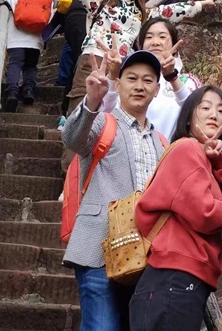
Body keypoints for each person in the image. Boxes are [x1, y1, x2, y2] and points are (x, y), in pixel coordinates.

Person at [24, 0, 214, 119]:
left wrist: (201, 4)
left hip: (121, 70)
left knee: (112, 122)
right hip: (94, 61)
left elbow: (169, 11)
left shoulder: (142, 14)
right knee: (81, 119)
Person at [130, 85, 222, 331]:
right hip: (173, 279)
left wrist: (219, 158)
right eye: (206, 107)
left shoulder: (202, 158)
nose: (214, 115)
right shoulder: (187, 150)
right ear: (189, 116)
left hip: (175, 281)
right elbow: (205, 214)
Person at [62, 49, 167, 331]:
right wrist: (91, 102)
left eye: (148, 80)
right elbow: (72, 139)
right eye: (131, 78)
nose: (139, 85)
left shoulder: (162, 142)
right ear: (118, 84)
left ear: (157, 90)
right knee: (102, 327)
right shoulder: (103, 122)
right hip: (98, 247)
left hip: (142, 254)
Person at [100, 17, 201, 140]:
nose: (155, 42)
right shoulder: (127, 79)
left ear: (175, 45)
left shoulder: (187, 81)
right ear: (141, 45)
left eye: (162, 37)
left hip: (168, 155)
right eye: (149, 37)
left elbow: (197, 115)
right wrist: (112, 75)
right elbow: (102, 114)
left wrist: (172, 77)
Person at [0, 0, 54, 112]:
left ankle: (12, 93)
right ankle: (28, 90)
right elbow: (49, 17)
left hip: (16, 38)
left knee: (15, 65)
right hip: (35, 40)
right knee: (30, 66)